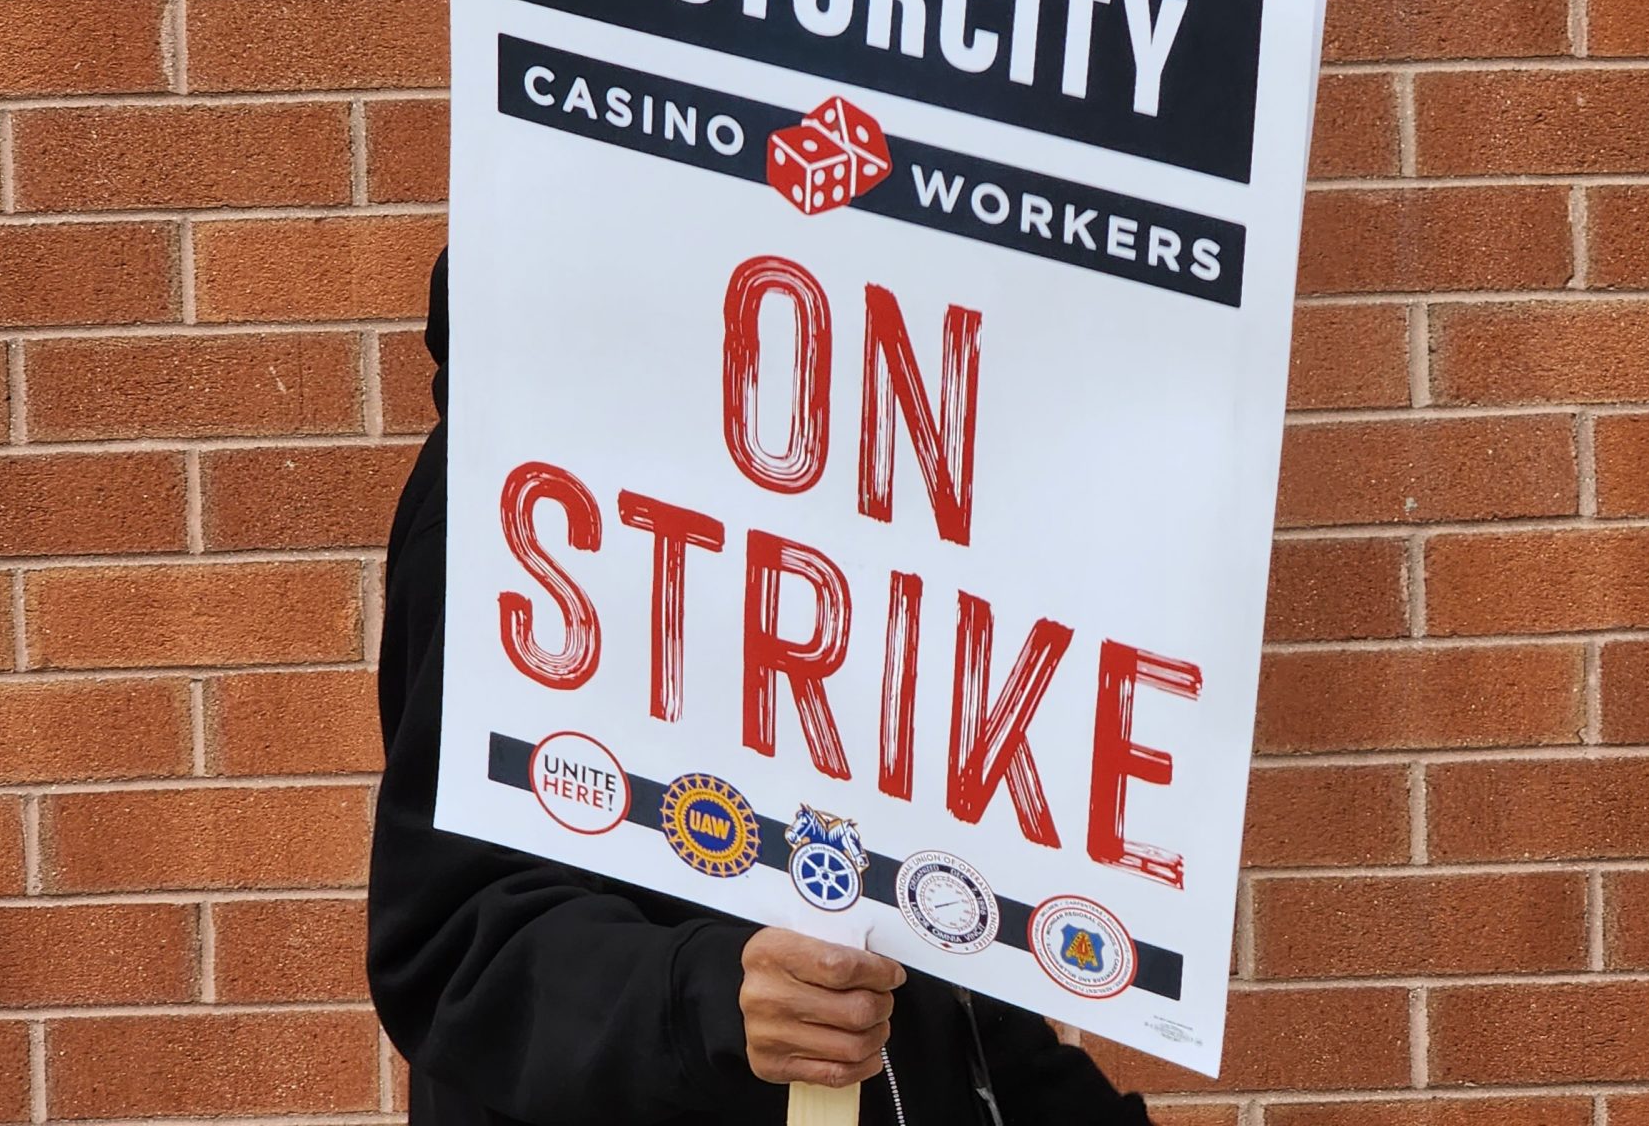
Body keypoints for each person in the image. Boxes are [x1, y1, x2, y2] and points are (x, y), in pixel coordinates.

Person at [368, 252, 1157, 1125]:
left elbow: (923, 929)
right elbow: (453, 941)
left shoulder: (854, 491)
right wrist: (711, 1001)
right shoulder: (516, 488)